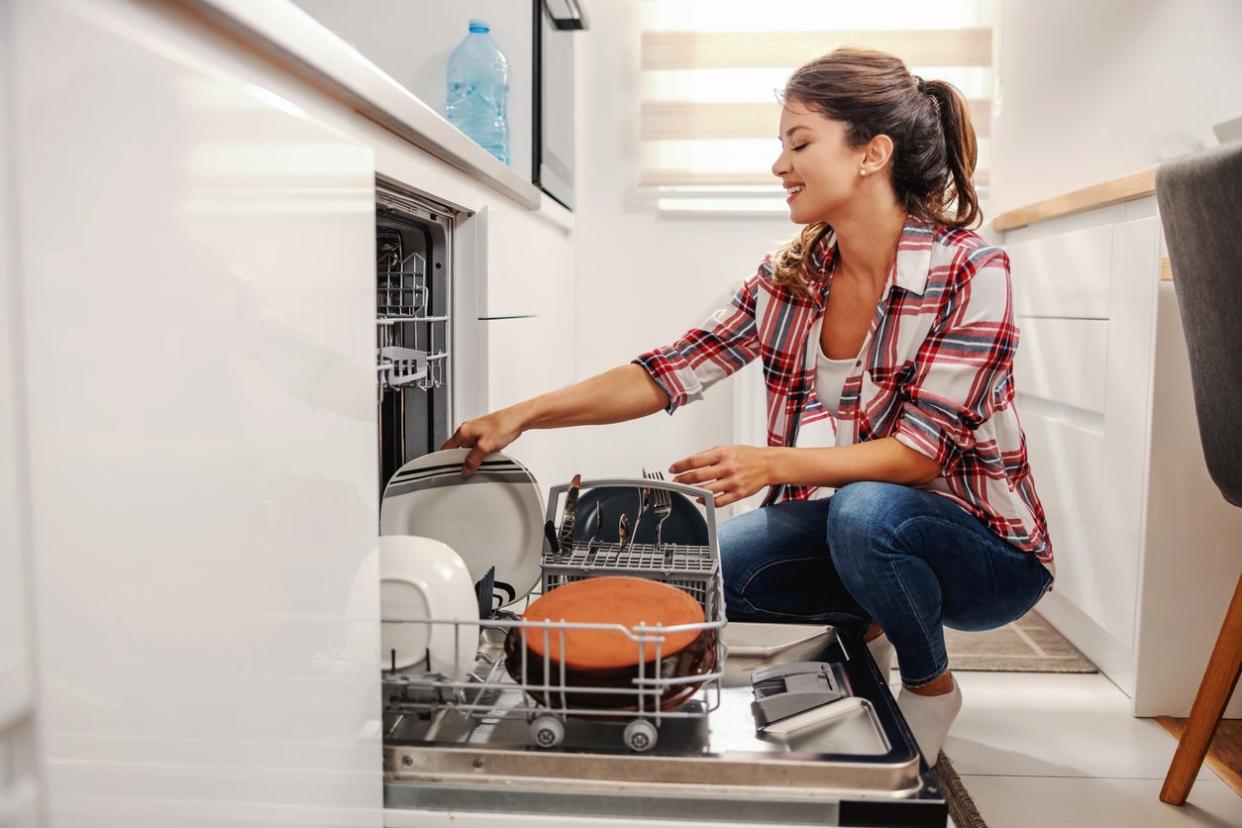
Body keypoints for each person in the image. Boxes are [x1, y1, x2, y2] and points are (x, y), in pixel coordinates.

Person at [443, 48, 1054, 767]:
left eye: (799, 143)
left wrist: (772, 462)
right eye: (780, 146)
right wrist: (525, 413)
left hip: (987, 551)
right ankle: (871, 636)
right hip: (874, 526)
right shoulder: (792, 275)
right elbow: (670, 370)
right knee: (722, 574)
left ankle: (931, 686)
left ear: (871, 155)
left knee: (864, 510)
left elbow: (921, 458)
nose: (780, 165)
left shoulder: (971, 269)